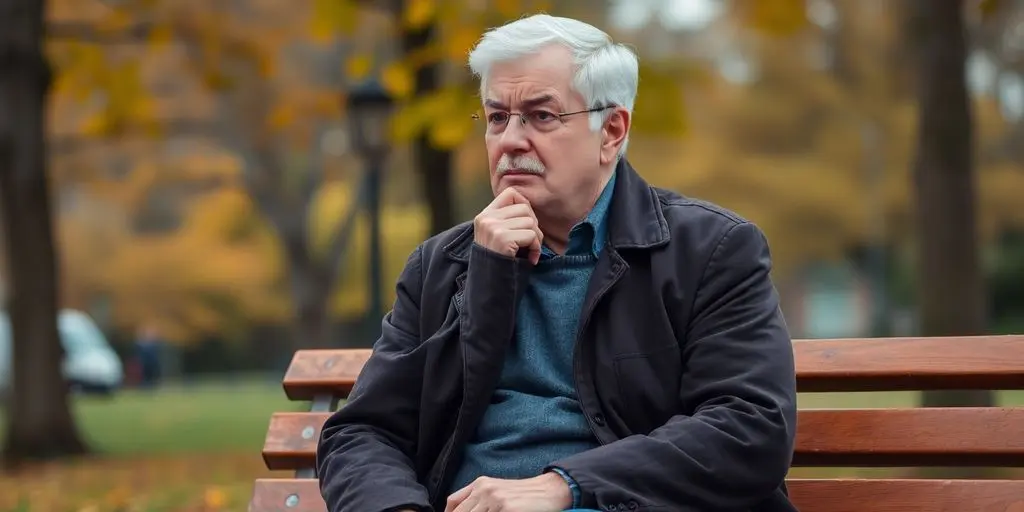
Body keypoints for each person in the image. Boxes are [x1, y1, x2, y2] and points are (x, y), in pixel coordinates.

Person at [317, 14, 798, 512]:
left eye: (541, 116)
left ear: (611, 130)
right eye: (497, 117)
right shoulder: (443, 266)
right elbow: (362, 433)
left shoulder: (710, 250)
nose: (510, 141)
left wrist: (564, 486)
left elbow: (750, 426)